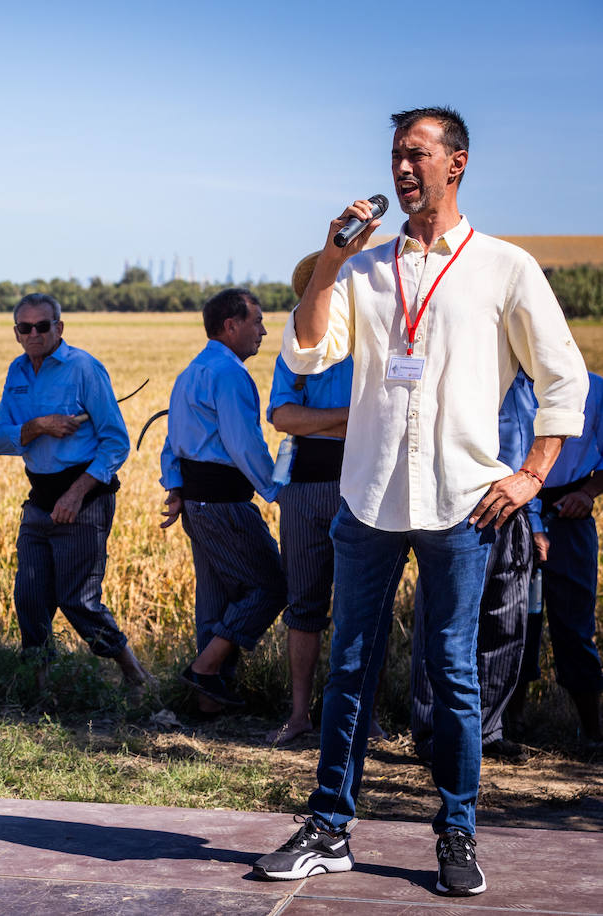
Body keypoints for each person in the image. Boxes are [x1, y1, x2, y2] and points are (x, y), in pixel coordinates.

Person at [254, 107, 587, 898]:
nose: (402, 169)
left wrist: (532, 476)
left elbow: (564, 378)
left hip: (466, 505)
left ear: (456, 163)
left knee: (453, 673)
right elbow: (306, 349)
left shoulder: (505, 269)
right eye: (395, 156)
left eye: (416, 155)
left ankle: (458, 832)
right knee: (350, 663)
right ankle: (329, 826)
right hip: (367, 499)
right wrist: (332, 261)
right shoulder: (366, 273)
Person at [0, 293, 151, 692]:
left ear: (59, 327)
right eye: (25, 327)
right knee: (29, 597)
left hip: (84, 498)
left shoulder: (84, 369)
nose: (35, 333)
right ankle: (40, 689)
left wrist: (76, 494)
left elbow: (116, 443)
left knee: (78, 600)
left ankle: (135, 676)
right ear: (16, 333)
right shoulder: (17, 372)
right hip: (40, 498)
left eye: (43, 325)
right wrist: (38, 425)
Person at [160, 287, 287, 712]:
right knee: (273, 585)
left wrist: (175, 487)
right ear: (230, 326)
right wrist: (278, 491)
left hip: (198, 505)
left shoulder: (191, 371)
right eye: (257, 321)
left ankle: (206, 705)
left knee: (214, 599)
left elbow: (171, 443)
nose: (264, 332)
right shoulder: (230, 374)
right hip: (224, 503)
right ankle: (206, 670)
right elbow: (243, 443)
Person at [409, 370, 545, 763]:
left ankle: (485, 731)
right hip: (462, 507)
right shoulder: (469, 366)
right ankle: (433, 733)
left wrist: (535, 522)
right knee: (444, 620)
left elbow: (528, 454)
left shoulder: (529, 384)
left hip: (516, 509)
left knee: (506, 621)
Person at [266, 354, 360, 744]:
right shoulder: (296, 354)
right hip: (303, 490)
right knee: (303, 605)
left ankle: (361, 719)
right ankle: (300, 715)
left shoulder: (376, 343)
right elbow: (283, 419)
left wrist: (314, 419)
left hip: (363, 491)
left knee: (364, 609)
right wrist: (348, 417)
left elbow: (385, 420)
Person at [507, 370, 603, 750]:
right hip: (514, 511)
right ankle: (510, 725)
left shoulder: (593, 387)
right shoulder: (507, 385)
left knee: (575, 622)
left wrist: (588, 493)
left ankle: (592, 731)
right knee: (514, 621)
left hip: (570, 514)